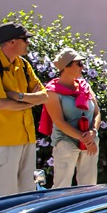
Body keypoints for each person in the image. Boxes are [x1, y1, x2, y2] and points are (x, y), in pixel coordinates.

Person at [0, 22, 48, 198]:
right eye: (25, 39)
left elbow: (44, 96)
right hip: (5, 139)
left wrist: (18, 96)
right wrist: (30, 101)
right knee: (6, 193)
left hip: (27, 137)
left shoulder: (23, 65)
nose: (28, 43)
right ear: (11, 42)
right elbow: (0, 104)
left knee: (28, 192)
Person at [41, 48, 101, 188]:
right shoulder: (52, 92)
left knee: (90, 187)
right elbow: (59, 122)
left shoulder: (85, 87)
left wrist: (93, 132)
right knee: (62, 187)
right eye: (79, 63)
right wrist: (84, 138)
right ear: (66, 66)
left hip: (90, 141)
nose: (83, 67)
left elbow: (97, 112)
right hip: (66, 142)